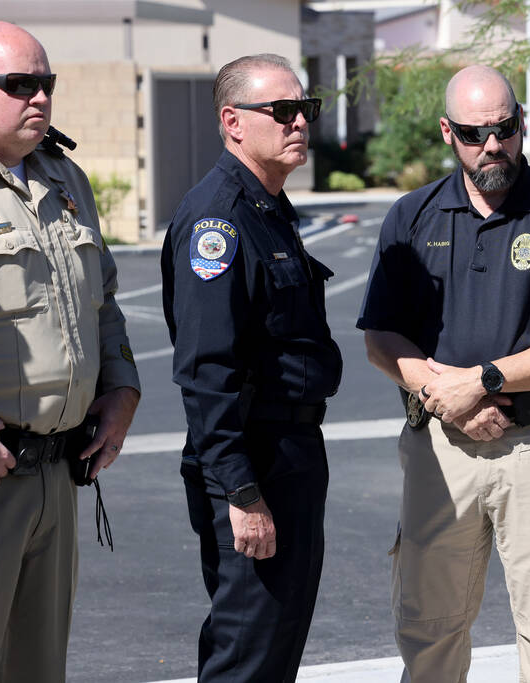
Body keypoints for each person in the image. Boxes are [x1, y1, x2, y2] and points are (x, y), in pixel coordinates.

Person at [357, 65, 530, 683]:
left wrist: (481, 381)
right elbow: (381, 337)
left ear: (521, 124)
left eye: (504, 128)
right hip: (440, 447)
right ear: (448, 132)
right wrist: (443, 396)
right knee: (429, 634)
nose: (492, 145)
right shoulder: (412, 216)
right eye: (476, 133)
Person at [0, 21, 141, 683]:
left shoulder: (64, 179)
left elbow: (106, 304)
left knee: (39, 668)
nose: (39, 98)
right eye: (19, 85)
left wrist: (122, 390)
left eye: (46, 83)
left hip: (56, 476)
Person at [161, 54, 342, 682]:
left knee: (278, 643)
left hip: (289, 449)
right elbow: (207, 372)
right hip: (253, 460)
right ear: (232, 122)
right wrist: (241, 493)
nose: (299, 124)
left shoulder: (269, 206)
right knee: (248, 650)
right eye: (282, 111)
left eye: (305, 110)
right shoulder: (220, 219)